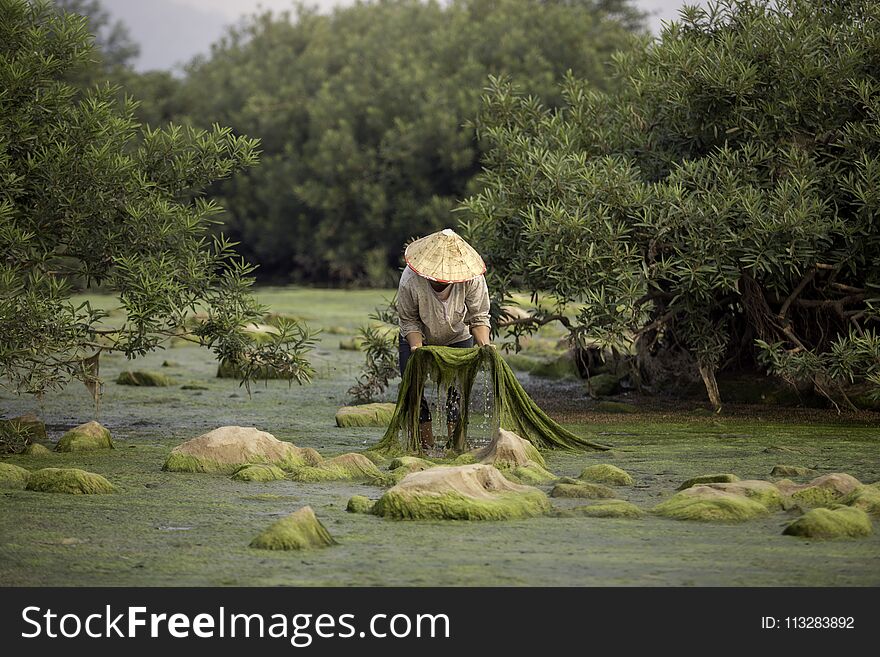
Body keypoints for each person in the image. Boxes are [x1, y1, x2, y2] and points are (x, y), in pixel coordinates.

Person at [396, 228, 491, 452]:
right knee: (413, 392)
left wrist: (485, 347)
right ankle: (425, 448)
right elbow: (409, 321)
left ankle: (454, 447)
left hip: (458, 336)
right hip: (419, 336)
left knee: (455, 395)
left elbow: (479, 317)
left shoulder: (471, 279)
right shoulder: (410, 280)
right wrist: (417, 349)